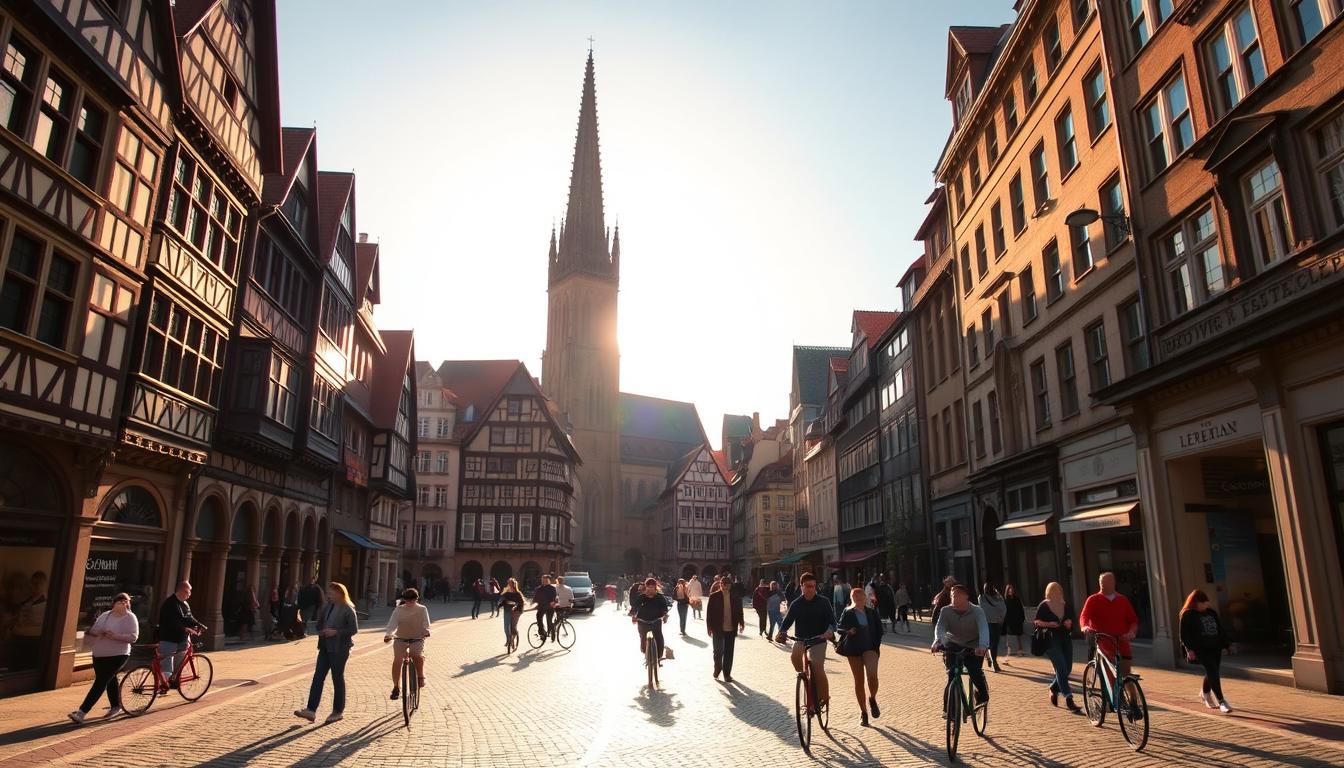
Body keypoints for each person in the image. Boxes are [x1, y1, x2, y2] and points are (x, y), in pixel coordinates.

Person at [69, 592, 138, 724]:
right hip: (99, 654)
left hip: (119, 654)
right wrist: (98, 632)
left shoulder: (130, 617)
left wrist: (115, 636)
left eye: (126, 602)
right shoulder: (106, 615)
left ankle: (82, 712)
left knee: (100, 682)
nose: (123, 604)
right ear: (114, 603)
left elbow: (133, 637)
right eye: (120, 601)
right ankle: (116, 706)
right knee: (109, 680)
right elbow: (94, 630)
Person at [294, 582, 358, 724]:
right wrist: (321, 629)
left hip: (339, 649)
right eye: (328, 593)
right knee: (318, 677)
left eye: (332, 593)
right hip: (324, 647)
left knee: (337, 678)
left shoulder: (347, 608)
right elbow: (320, 624)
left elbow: (353, 629)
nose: (329, 595)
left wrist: (336, 632)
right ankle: (311, 710)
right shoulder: (326, 606)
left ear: (340, 593)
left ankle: (337, 711)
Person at [776, 572, 837, 707]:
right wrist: (782, 631)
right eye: (808, 586)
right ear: (801, 586)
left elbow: (833, 622)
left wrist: (829, 631)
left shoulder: (823, 602)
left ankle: (824, 697)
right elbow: (787, 621)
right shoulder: (796, 604)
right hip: (801, 639)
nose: (811, 589)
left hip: (819, 639)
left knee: (817, 666)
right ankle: (805, 678)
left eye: (813, 586)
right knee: (794, 657)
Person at [931, 584, 990, 707]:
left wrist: (982, 646)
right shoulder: (946, 611)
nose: (954, 598)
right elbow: (940, 627)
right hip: (953, 644)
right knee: (951, 676)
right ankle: (948, 711)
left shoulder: (977, 611)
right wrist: (938, 641)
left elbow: (983, 629)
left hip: (973, 646)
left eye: (957, 595)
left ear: (966, 596)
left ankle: (983, 695)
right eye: (952, 596)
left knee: (974, 672)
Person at [1180, 588, 1233, 713]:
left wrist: (1227, 644)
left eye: (1206, 602)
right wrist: (1189, 649)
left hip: (1215, 647)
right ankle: (1222, 701)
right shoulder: (1187, 614)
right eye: (1202, 602)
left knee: (1213, 671)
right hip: (1201, 649)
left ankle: (1205, 693)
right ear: (1195, 603)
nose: (1205, 605)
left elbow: (1220, 629)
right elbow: (1184, 635)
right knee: (1212, 670)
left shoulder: (1211, 612)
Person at [1079, 572, 1140, 680]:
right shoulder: (1093, 599)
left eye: (1107, 582)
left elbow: (1133, 620)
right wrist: (1085, 627)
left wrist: (1131, 632)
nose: (1103, 585)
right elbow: (1084, 616)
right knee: (1109, 675)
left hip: (1122, 641)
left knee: (1126, 676)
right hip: (1103, 641)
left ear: (1113, 583)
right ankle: (1111, 689)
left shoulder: (1122, 600)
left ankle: (1129, 689)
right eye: (1101, 582)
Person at [838, 586, 884, 726]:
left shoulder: (872, 612)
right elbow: (839, 628)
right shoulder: (847, 612)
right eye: (855, 597)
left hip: (870, 648)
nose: (858, 599)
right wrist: (848, 631)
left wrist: (876, 644)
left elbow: (879, 629)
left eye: (861, 596)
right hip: (853, 650)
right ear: (852, 598)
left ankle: (872, 698)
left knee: (872, 676)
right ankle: (863, 712)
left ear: (865, 598)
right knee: (858, 681)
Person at [1034, 582, 1082, 713]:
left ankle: (1053, 688)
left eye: (1058, 591)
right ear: (1048, 592)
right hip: (1050, 640)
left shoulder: (1066, 605)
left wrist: (1069, 623)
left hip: (1065, 638)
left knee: (1067, 668)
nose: (1055, 593)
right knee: (1061, 667)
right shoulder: (1044, 605)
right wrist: (1049, 624)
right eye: (1053, 591)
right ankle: (1068, 697)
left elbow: (1072, 621)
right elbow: (1037, 622)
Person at [383, 588, 431, 700]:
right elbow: (392, 624)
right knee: (397, 660)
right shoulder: (399, 609)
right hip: (400, 638)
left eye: (412, 600)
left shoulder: (422, 609)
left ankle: (420, 676)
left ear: (416, 599)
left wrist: (426, 631)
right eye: (407, 599)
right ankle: (396, 687)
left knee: (416, 654)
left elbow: (426, 624)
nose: (409, 602)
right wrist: (388, 634)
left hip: (417, 638)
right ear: (404, 599)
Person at [157, 580, 205, 680]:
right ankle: (164, 685)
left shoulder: (185, 604)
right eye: (188, 591)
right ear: (181, 591)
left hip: (182, 639)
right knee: (167, 667)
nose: (190, 594)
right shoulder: (170, 603)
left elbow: (189, 617)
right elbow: (171, 622)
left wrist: (198, 625)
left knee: (179, 666)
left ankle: (175, 683)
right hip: (169, 639)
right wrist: (185, 628)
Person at [707, 578, 744, 681]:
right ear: (720, 584)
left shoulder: (735, 597)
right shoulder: (714, 596)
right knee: (718, 651)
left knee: (729, 652)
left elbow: (739, 611)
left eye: (727, 584)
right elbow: (709, 613)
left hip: (731, 628)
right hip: (717, 628)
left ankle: (727, 674)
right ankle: (717, 668)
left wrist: (741, 622)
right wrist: (709, 627)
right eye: (723, 584)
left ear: (730, 585)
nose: (725, 586)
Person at [630, 578, 671, 662]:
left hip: (656, 621)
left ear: (655, 587)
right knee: (643, 637)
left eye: (652, 587)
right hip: (642, 621)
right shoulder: (642, 597)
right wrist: (633, 615)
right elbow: (635, 607)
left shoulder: (660, 597)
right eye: (649, 587)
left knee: (659, 638)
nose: (650, 589)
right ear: (646, 587)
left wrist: (665, 615)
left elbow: (664, 608)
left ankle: (658, 657)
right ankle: (645, 652)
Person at [977, 583, 1007, 672]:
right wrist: (1001, 618)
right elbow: (1004, 609)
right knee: (994, 644)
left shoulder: (982, 598)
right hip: (997, 623)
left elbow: (981, 609)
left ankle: (984, 661)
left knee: (986, 643)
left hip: (986, 623)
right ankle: (994, 662)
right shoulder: (999, 597)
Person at [499, 578, 525, 650]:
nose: (510, 585)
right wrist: (499, 604)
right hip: (507, 610)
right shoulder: (506, 593)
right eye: (509, 584)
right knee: (506, 627)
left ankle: (513, 638)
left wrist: (515, 606)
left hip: (517, 611)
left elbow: (520, 603)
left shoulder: (518, 594)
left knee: (513, 627)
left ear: (514, 585)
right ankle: (508, 639)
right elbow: (502, 600)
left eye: (511, 584)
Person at [532, 574, 558, 644]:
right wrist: (533, 604)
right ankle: (542, 633)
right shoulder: (538, 589)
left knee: (549, 621)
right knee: (538, 617)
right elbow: (535, 598)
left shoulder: (552, 588)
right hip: (541, 607)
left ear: (549, 581)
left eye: (546, 580)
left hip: (550, 607)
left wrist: (553, 602)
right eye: (543, 580)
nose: (544, 581)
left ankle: (552, 631)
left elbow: (555, 597)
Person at [1002, 583, 1026, 656]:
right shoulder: (1005, 600)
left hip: (1017, 620)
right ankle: (1010, 650)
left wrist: (1022, 618)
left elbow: (1021, 609)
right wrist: (1005, 620)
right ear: (1007, 591)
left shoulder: (1017, 599)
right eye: (1009, 590)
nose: (1011, 591)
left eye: (1012, 590)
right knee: (1009, 636)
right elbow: (1004, 611)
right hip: (1009, 620)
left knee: (1019, 636)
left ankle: (1020, 650)